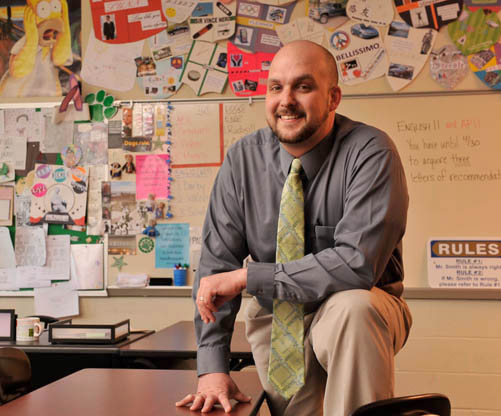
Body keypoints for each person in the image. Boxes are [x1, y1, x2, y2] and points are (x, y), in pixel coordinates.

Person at [176, 40, 412, 416]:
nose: (286, 100)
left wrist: (250, 278)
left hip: (363, 308)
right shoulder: (242, 161)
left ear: (333, 98)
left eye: (303, 87)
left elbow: (355, 264)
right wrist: (212, 369)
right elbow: (216, 270)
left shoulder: (371, 152)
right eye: (275, 87)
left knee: (353, 309)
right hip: (279, 315)